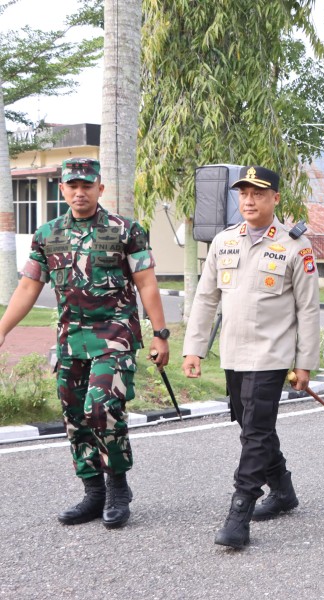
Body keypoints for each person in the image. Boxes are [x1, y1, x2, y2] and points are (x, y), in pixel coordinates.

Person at [0, 157, 169, 529]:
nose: (80, 192)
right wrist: (2, 329)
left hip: (115, 334)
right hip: (70, 340)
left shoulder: (125, 230)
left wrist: (160, 333)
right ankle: (93, 493)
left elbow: (146, 282)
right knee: (75, 416)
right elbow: (29, 286)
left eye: (87, 186)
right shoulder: (47, 235)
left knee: (101, 406)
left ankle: (118, 487)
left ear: (100, 189)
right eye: (72, 186)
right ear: (62, 189)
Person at [182, 165, 320, 550]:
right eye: (243, 193)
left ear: (275, 198)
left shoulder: (295, 246)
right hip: (233, 354)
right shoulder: (224, 241)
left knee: (255, 432)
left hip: (271, 356)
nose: (248, 200)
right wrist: (195, 348)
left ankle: (239, 512)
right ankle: (283, 490)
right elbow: (206, 298)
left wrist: (304, 362)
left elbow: (308, 309)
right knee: (250, 427)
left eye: (258, 193)